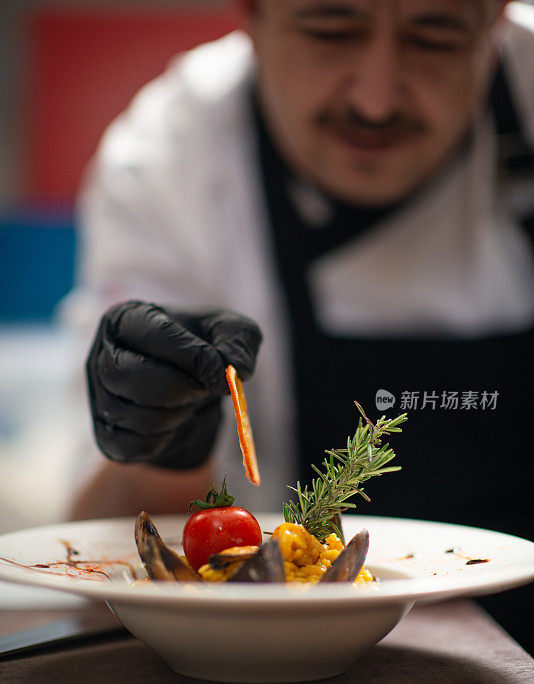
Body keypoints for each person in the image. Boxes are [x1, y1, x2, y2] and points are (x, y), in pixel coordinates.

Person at [63, 0, 534, 649]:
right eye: (330, 30)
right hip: (277, 660)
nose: (376, 100)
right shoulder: (171, 164)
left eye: (437, 36)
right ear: (251, 17)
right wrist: (164, 445)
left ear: (496, 24)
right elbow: (94, 552)